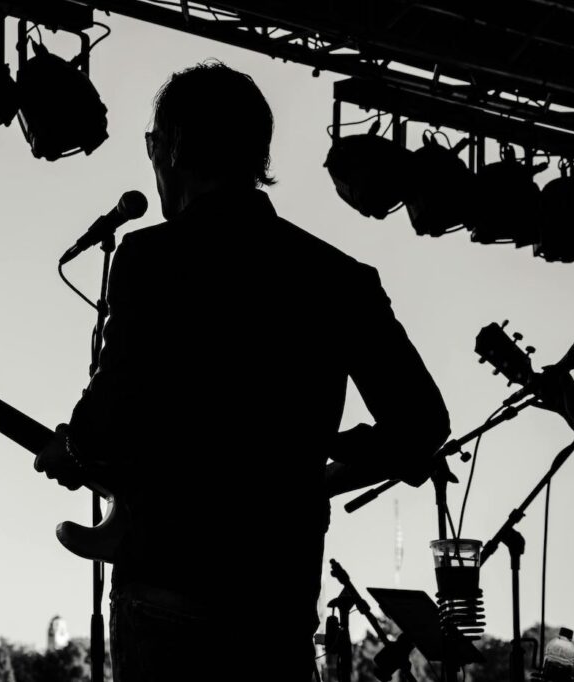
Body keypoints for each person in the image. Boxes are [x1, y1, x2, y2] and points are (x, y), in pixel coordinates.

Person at [34, 61, 450, 681]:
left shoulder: (151, 257)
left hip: (171, 596)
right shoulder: (339, 279)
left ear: (174, 146)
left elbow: (106, 428)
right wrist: (313, 465)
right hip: (275, 610)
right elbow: (421, 425)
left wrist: (76, 449)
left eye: (153, 145)